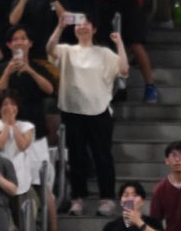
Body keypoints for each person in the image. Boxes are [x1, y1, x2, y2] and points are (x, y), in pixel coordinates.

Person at [46, 13, 129, 216]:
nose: (82, 27)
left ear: (94, 29)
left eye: (87, 24)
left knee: (102, 156)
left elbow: (124, 69)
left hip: (99, 111)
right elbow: (49, 49)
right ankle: (77, 198)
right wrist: (59, 27)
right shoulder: (67, 50)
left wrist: (119, 44)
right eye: (79, 24)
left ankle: (107, 198)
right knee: (76, 157)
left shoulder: (103, 53)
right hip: (72, 111)